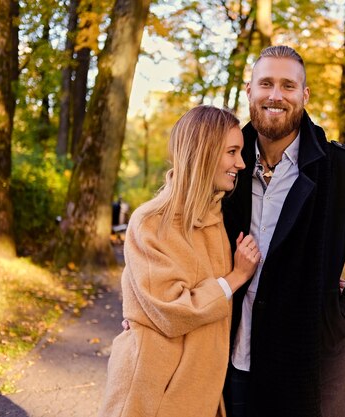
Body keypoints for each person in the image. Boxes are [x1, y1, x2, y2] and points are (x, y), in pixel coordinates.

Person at [221, 46, 345, 417]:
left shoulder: (341, 169)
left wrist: (343, 318)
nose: (275, 95)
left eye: (288, 86)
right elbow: (183, 229)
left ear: (304, 95)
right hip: (230, 359)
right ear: (249, 90)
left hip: (310, 361)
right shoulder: (223, 164)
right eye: (266, 83)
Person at [99, 105, 261, 417]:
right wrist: (236, 276)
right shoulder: (151, 221)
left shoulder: (218, 221)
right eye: (232, 152)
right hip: (151, 392)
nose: (241, 163)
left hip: (201, 390)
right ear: (204, 152)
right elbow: (171, 311)